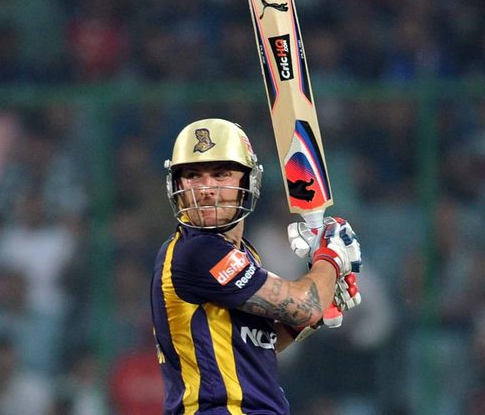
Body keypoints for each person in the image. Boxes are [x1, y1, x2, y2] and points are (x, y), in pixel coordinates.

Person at [150, 118, 362, 414]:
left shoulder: (239, 252)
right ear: (177, 185)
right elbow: (305, 305)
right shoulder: (199, 251)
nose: (206, 188)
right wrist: (331, 257)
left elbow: (255, 347)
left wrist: (313, 311)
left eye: (221, 174)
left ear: (248, 182)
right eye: (193, 176)